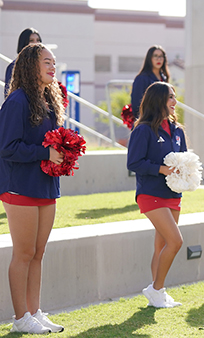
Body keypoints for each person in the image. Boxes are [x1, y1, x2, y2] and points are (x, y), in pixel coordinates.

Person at [0, 43, 65, 334]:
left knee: (38, 252)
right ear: (30, 65)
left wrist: (62, 154)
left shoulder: (49, 101)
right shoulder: (17, 102)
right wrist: (44, 153)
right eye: (46, 62)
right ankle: (20, 318)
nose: (53, 67)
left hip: (45, 186)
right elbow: (7, 147)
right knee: (24, 252)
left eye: (54, 62)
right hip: (20, 187)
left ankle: (35, 311)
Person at [127, 82, 186, 307]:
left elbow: (184, 158)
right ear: (158, 100)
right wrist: (160, 169)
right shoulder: (143, 129)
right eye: (170, 97)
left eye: (174, 97)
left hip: (173, 193)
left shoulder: (178, 130)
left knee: (162, 245)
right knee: (175, 241)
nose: (174, 102)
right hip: (150, 193)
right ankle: (156, 288)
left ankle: (158, 294)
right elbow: (133, 162)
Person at [130, 46, 170, 118]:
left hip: (161, 120)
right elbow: (136, 105)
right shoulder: (142, 78)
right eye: (155, 56)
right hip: (147, 121)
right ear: (149, 58)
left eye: (161, 56)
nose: (159, 59)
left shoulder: (164, 78)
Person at [4, 28, 42, 99]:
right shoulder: (14, 66)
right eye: (31, 40)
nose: (36, 43)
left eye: (38, 40)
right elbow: (9, 94)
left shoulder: (42, 65)